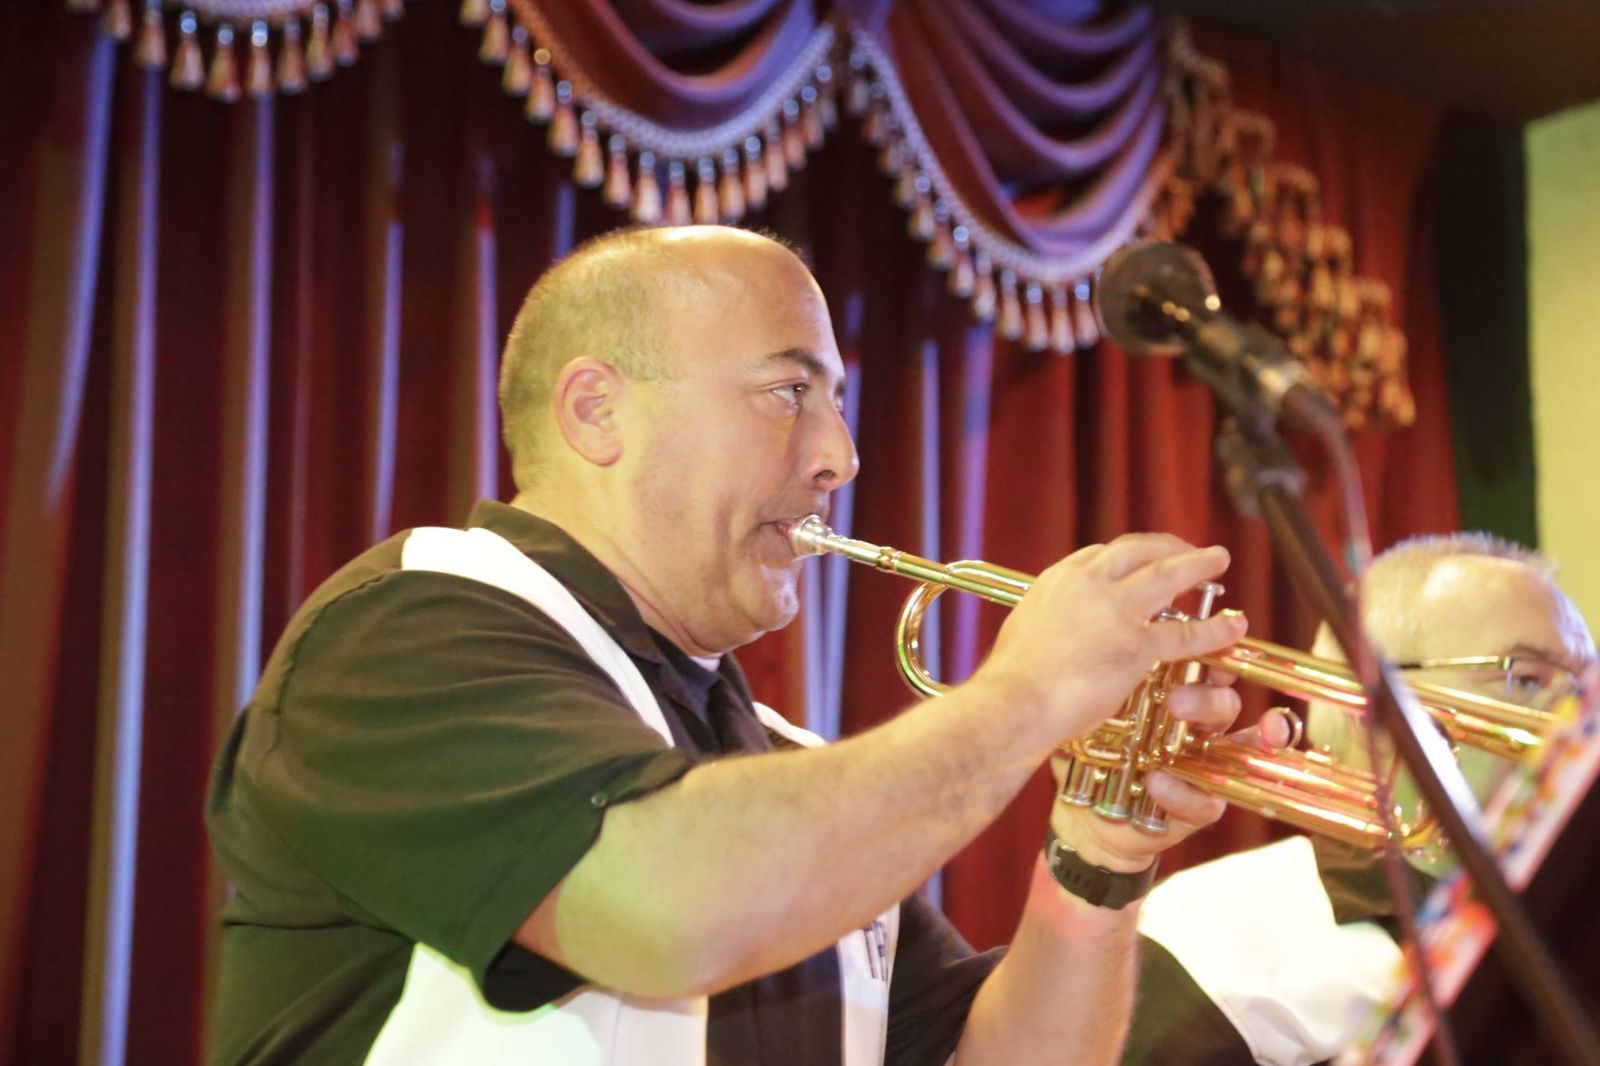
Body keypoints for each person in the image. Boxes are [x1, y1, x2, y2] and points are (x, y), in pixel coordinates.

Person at [204, 225, 1254, 1065]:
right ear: (596, 410)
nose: (839, 456)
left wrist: (1100, 852)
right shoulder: (406, 629)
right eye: (787, 393)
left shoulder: (788, 772)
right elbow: (665, 912)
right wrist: (1029, 694)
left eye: (836, 403)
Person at [1119, 533, 1597, 1066]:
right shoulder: (1212, 929)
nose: (1577, 724)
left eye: (1586, 695)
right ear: (1371, 711)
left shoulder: (1573, 924)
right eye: (1527, 678)